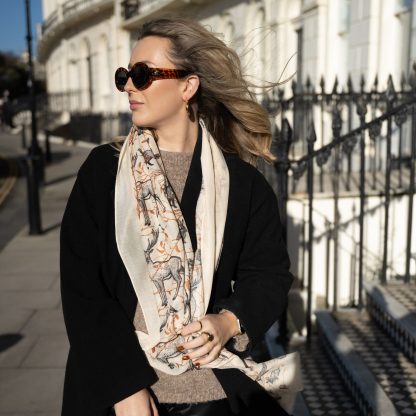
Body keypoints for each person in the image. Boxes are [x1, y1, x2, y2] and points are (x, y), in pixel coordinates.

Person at [60, 17, 298, 416]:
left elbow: (269, 275)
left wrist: (228, 321)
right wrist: (125, 389)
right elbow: (83, 289)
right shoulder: (104, 171)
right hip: (120, 392)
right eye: (125, 75)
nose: (129, 86)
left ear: (188, 86)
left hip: (213, 394)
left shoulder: (243, 184)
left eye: (142, 74)